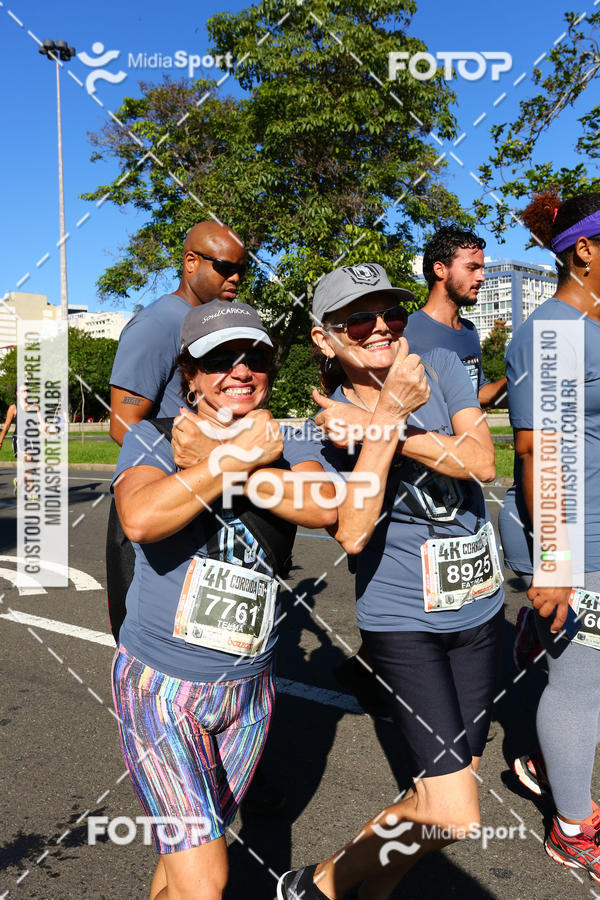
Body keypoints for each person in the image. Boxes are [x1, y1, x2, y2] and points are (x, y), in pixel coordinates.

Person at [278, 263, 504, 900]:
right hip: (405, 623)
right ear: (325, 339)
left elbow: (482, 461)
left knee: (437, 796)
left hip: (480, 613)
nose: (380, 327)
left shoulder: (442, 370)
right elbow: (350, 533)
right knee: (455, 812)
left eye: (391, 314)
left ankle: (374, 887)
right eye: (359, 318)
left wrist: (390, 430)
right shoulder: (315, 429)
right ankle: (319, 884)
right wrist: (380, 428)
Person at [111, 300, 336, 900]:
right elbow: (141, 516)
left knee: (182, 863)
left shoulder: (293, 440)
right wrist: (236, 457)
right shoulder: (152, 436)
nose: (240, 370)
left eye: (256, 356)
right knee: (206, 879)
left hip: (249, 693)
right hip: (163, 689)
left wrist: (224, 465)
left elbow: (323, 506)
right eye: (218, 360)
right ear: (189, 374)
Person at [498, 191, 600, 880]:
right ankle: (572, 828)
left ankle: (539, 640)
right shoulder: (555, 330)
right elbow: (537, 451)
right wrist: (555, 562)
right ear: (586, 251)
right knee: (584, 683)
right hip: (574, 534)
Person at [107, 220, 247, 643]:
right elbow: (123, 423)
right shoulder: (160, 323)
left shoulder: (210, 323)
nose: (236, 277)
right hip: (162, 494)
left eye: (243, 267)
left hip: (208, 492)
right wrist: (190, 463)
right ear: (190, 262)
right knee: (150, 632)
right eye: (225, 266)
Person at [404, 224, 507, 408]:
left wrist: (523, 378)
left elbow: (476, 393)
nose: (481, 277)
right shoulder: (405, 333)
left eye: (482, 269)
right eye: (472, 268)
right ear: (440, 269)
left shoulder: (470, 331)